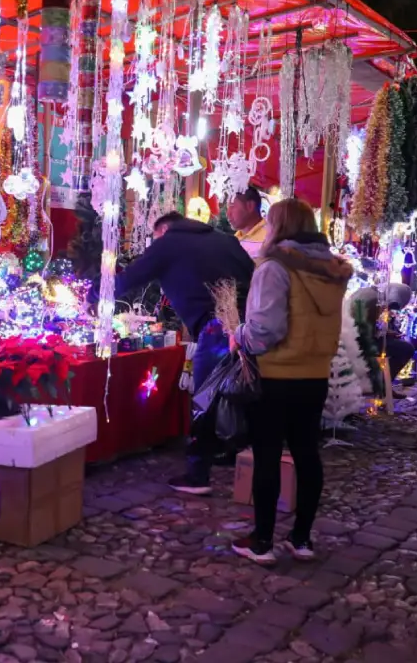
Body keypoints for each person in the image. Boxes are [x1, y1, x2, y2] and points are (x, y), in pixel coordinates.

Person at [229, 199, 353, 565]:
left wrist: (239, 334)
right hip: (314, 374)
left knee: (267, 455)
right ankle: (301, 539)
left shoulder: (275, 267)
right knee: (306, 454)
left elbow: (266, 329)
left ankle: (262, 541)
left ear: (278, 226)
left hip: (276, 374)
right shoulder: (331, 271)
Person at [117, 211, 254, 495]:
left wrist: (94, 293)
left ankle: (198, 474)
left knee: (205, 398)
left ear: (164, 230)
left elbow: (131, 277)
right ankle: (241, 458)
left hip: (216, 328)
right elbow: (252, 276)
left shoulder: (169, 242)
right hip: (247, 326)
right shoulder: (226, 241)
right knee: (242, 393)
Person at [227, 186, 268, 258]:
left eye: (232, 206)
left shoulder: (270, 237)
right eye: (228, 207)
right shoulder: (234, 239)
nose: (228, 213)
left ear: (250, 206)